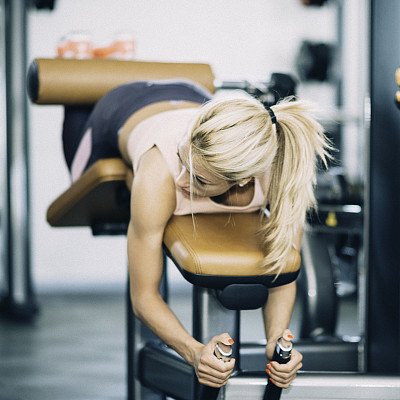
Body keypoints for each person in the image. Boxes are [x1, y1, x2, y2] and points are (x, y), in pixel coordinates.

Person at [62, 78, 331, 389]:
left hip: (186, 93)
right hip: (119, 107)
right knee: (75, 146)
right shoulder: (159, 173)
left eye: (200, 180)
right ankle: (77, 97)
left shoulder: (279, 176)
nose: (180, 181)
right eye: (182, 159)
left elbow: (281, 268)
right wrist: (193, 352)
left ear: (243, 181)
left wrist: (276, 339)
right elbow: (143, 296)